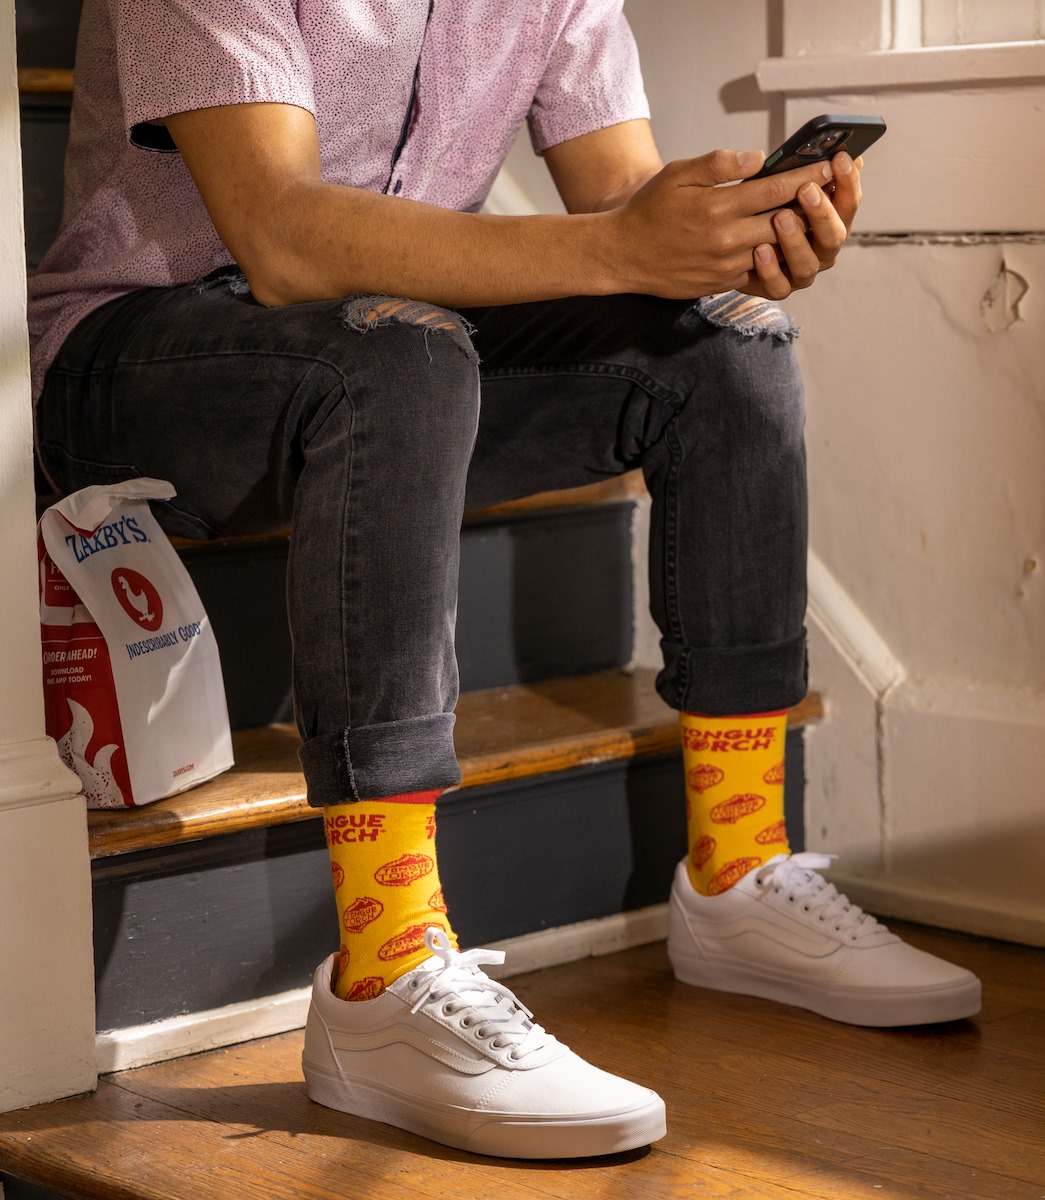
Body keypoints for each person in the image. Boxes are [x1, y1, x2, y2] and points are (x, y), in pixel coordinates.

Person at [29, 0, 981, 1161]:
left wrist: (723, 237)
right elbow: (282, 238)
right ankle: (384, 972)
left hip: (398, 348)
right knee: (403, 352)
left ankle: (740, 867)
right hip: (137, 357)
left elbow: (619, 195)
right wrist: (624, 245)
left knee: (724, 342)